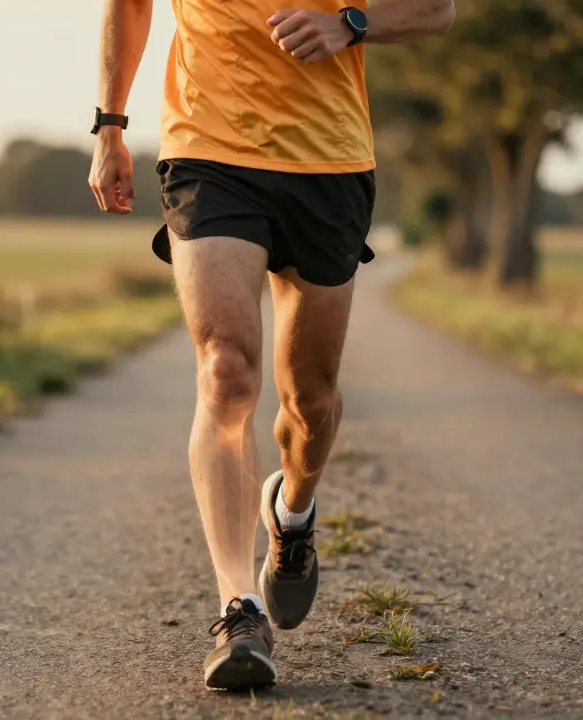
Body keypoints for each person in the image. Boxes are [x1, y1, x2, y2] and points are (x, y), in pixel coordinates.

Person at [88, 0, 453, 690]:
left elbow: (438, 10)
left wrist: (352, 23)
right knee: (226, 372)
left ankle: (293, 513)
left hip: (330, 162)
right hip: (209, 150)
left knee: (310, 400)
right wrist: (110, 125)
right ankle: (239, 608)